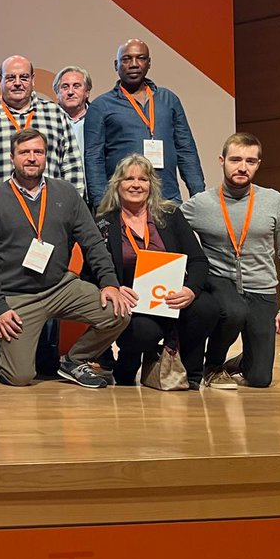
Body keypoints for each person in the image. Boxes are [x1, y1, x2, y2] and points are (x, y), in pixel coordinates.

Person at [0, 129, 132, 389]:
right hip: (19, 296)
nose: (32, 158)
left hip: (61, 287)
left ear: (46, 157)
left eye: (38, 152)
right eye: (24, 152)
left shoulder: (66, 193)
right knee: (21, 377)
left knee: (119, 311)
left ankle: (74, 360)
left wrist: (109, 283)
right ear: (12, 158)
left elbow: (93, 242)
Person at [0, 55, 85, 375]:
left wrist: (72, 211)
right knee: (3, 285)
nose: (17, 83)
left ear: (32, 80)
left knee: (50, 282)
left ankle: (46, 355)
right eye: (10, 77)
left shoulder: (54, 114)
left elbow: (71, 160)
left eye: (23, 77)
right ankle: (2, 349)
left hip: (50, 217)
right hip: (1, 218)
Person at [181, 133, 280, 389]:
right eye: (235, 159)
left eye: (250, 161)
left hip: (261, 289)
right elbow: (168, 225)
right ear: (222, 161)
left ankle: (244, 361)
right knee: (234, 311)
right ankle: (212, 365)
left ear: (258, 164)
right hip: (220, 285)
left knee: (259, 379)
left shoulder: (274, 201)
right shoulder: (201, 204)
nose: (242, 167)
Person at [93, 155, 219, 389]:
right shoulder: (104, 221)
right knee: (144, 332)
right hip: (133, 303)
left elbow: (198, 260)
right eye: (128, 178)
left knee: (206, 308)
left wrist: (190, 290)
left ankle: (191, 374)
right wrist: (114, 287)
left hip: (172, 297)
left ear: (151, 184)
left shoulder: (170, 215)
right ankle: (128, 366)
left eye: (143, 179)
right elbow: (92, 268)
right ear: (117, 184)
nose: (136, 184)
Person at [84, 39, 205, 208]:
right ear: (116, 65)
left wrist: (199, 196)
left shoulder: (168, 100)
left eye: (140, 58)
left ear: (149, 63)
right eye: (126, 59)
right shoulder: (101, 106)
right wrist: (101, 204)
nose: (133, 64)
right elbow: (93, 157)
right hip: (121, 202)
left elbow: (186, 149)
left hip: (167, 197)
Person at [53, 66, 91, 163]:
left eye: (76, 86)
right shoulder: (49, 120)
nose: (70, 92)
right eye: (65, 87)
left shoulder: (99, 119)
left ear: (87, 92)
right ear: (57, 93)